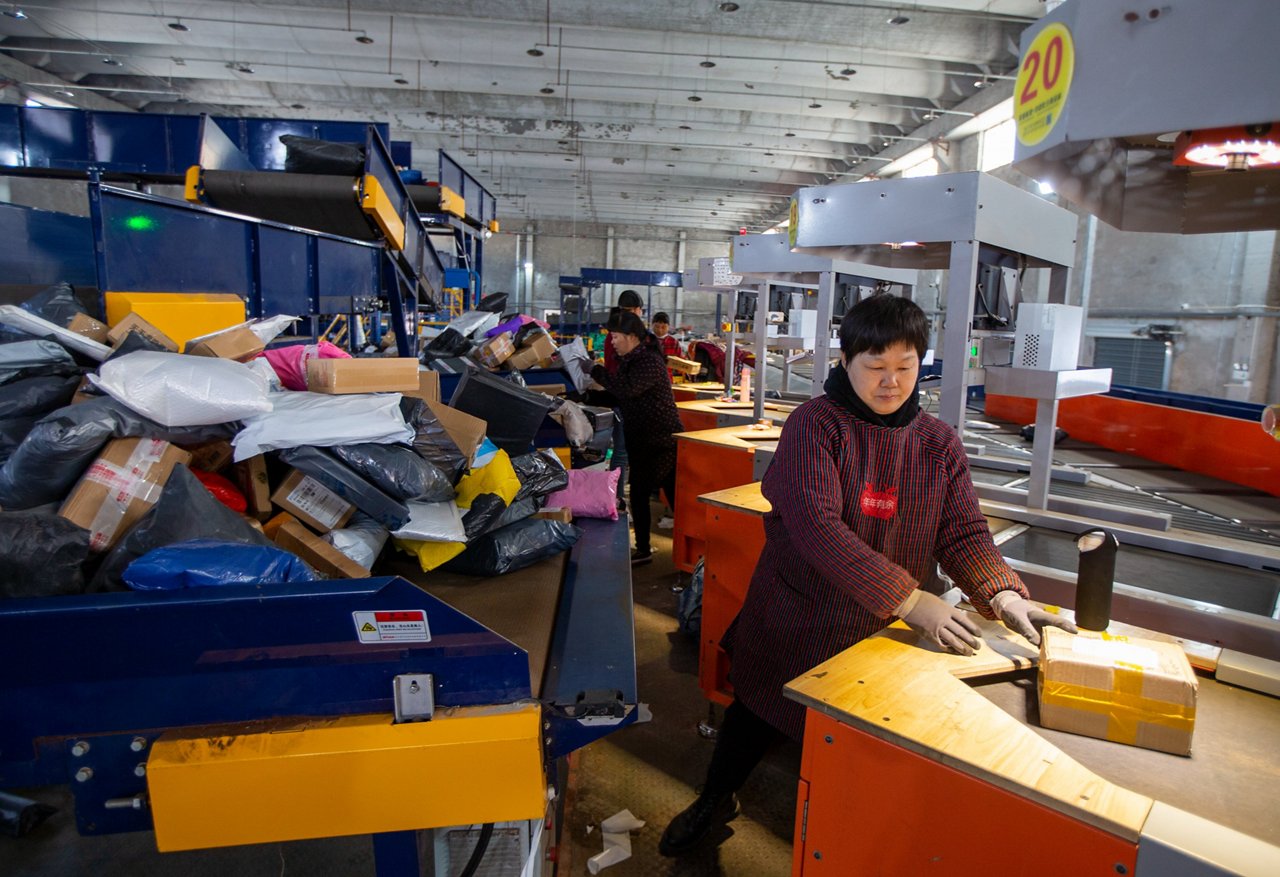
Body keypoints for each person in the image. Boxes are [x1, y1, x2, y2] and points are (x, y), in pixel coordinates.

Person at [659, 294, 1077, 857]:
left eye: (905, 368)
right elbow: (816, 528)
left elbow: (962, 531)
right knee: (755, 713)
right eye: (875, 368)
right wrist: (913, 601)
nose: (891, 383)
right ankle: (714, 798)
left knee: (851, 743)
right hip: (800, 613)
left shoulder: (937, 443)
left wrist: (1002, 594)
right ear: (846, 362)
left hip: (878, 637)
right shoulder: (815, 427)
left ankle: (833, 839)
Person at [590, 311, 682, 566]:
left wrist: (597, 372)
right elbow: (619, 395)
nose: (612, 342)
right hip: (645, 440)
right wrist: (585, 398)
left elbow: (627, 391)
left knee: (641, 492)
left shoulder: (648, 362)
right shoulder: (629, 361)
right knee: (673, 496)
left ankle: (644, 550)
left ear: (631, 337)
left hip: (659, 441)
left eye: (616, 336)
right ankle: (690, 550)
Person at [603, 289, 646, 375]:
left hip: (611, 381)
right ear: (635, 310)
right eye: (640, 309)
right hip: (625, 383)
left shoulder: (611, 334)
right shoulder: (634, 335)